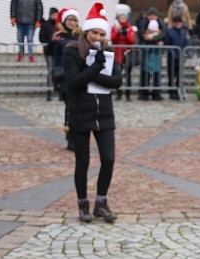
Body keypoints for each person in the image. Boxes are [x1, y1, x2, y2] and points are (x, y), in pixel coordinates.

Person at [63, 1, 122, 223]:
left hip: (104, 113)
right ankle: (82, 204)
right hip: (80, 112)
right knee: (83, 161)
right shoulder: (72, 51)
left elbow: (117, 81)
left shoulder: (107, 52)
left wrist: (94, 72)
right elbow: (73, 83)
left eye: (101, 34)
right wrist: (95, 68)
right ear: (86, 31)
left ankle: (101, 202)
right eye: (94, 33)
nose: (98, 37)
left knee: (109, 158)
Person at [51, 7, 79, 150]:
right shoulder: (60, 38)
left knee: (78, 110)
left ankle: (77, 136)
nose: (72, 23)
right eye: (70, 20)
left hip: (78, 79)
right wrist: (53, 42)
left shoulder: (80, 37)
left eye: (75, 20)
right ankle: (70, 138)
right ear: (65, 21)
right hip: (66, 79)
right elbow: (54, 59)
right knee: (70, 110)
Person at [110, 5, 135, 102]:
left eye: (124, 17)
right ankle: (119, 94)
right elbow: (113, 39)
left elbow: (132, 40)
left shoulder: (129, 28)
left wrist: (126, 31)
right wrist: (118, 31)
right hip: (118, 54)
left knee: (128, 75)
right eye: (121, 18)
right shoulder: (115, 28)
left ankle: (128, 95)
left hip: (127, 54)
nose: (122, 19)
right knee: (118, 75)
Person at [139, 16, 165, 101]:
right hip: (147, 60)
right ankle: (144, 94)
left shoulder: (159, 37)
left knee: (156, 78)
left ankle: (156, 94)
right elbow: (142, 46)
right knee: (145, 77)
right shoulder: (144, 36)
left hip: (156, 61)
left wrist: (158, 43)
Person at [164, 15, 188, 100]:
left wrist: (186, 52)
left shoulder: (183, 32)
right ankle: (171, 92)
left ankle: (178, 91)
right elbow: (167, 44)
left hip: (181, 57)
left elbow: (185, 43)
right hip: (172, 57)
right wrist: (173, 53)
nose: (178, 24)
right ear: (174, 23)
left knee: (179, 76)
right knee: (171, 75)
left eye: (179, 22)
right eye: (176, 22)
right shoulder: (169, 31)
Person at [39, 6, 58, 100]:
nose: (55, 16)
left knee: (58, 70)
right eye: (53, 15)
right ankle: (49, 92)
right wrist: (48, 44)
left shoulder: (59, 25)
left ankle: (59, 91)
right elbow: (41, 37)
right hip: (49, 52)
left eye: (56, 15)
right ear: (50, 15)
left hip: (58, 51)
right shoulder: (45, 24)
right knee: (50, 71)